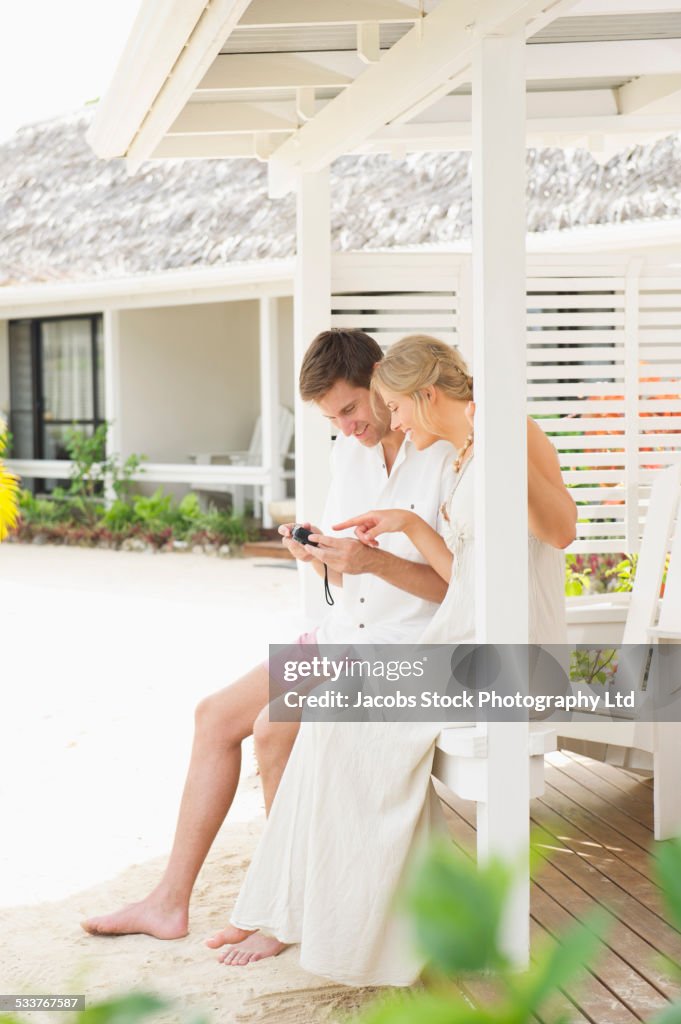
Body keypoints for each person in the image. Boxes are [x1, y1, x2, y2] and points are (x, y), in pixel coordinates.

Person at [216, 334, 576, 985]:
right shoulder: (458, 453)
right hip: (464, 636)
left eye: (397, 409)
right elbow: (462, 579)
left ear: (426, 395)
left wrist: (503, 449)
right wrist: (410, 527)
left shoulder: (503, 433)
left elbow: (560, 532)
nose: (396, 426)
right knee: (324, 717)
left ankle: (369, 927)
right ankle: (300, 910)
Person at [81, 328, 454, 941]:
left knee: (271, 730)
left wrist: (368, 563)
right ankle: (168, 902)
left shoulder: (441, 457)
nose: (348, 426)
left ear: (382, 382)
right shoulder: (349, 452)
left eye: (351, 409)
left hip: (401, 650)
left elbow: (455, 589)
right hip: (341, 634)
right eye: (333, 418)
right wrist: (320, 554)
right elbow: (355, 558)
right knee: (214, 716)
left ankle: (290, 909)